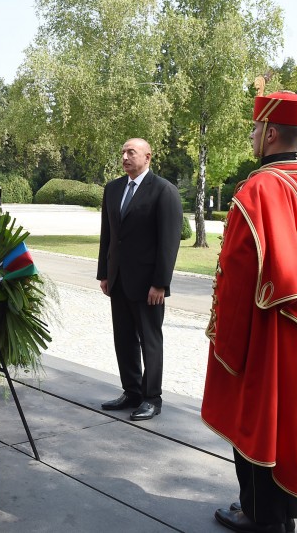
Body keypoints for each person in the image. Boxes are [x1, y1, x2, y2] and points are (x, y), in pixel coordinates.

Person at [202, 91, 297, 533]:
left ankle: (262, 517)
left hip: (264, 329)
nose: (251, 133)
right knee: (290, 420)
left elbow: (241, 274)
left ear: (272, 133)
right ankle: (274, 512)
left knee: (259, 419)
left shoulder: (259, 188)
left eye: (256, 127)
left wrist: (228, 341)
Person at [96, 138, 182, 421]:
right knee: (124, 339)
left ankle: (151, 397)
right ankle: (131, 391)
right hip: (119, 279)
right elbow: (107, 236)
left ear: (147, 157)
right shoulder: (113, 189)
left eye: (130, 152)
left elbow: (168, 242)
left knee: (149, 339)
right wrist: (105, 274)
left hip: (148, 284)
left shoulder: (163, 191)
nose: (125, 156)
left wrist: (160, 283)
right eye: (122, 152)